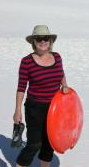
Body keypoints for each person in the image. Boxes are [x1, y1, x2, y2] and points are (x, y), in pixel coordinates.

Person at [13, 25, 69, 167]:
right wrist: (17, 110)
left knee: (50, 142)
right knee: (34, 143)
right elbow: (21, 87)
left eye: (46, 38)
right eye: (39, 39)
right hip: (35, 107)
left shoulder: (57, 57)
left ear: (50, 41)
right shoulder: (26, 61)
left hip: (55, 108)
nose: (42, 41)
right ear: (34, 42)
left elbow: (60, 73)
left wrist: (65, 85)